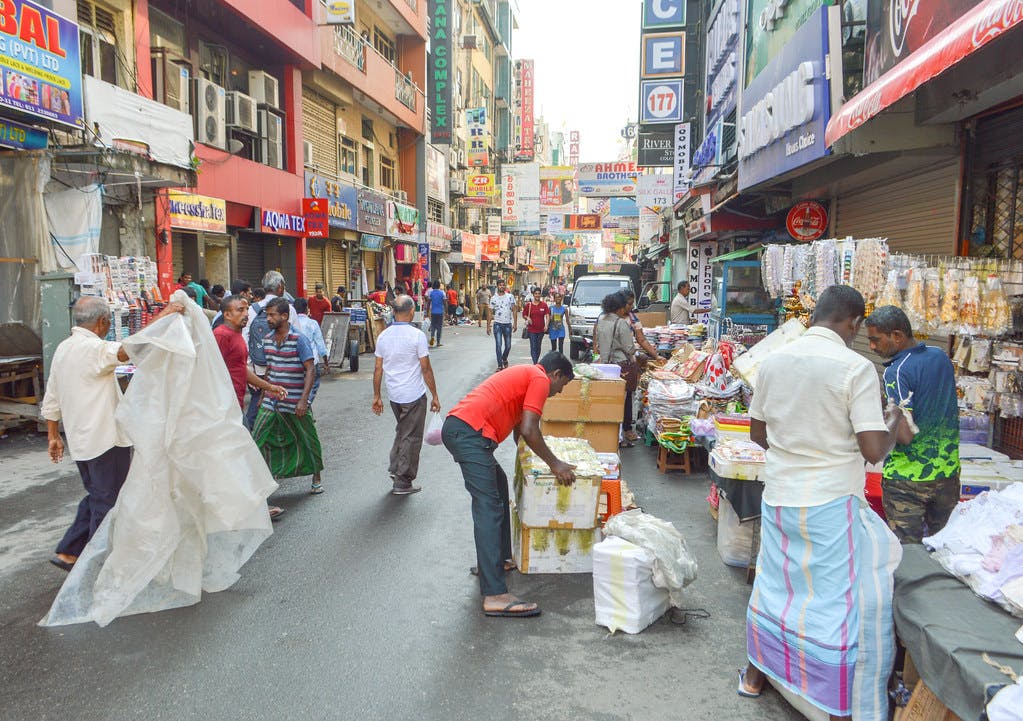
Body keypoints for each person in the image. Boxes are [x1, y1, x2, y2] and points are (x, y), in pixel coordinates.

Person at [738, 285, 904, 721]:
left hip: (779, 496)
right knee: (834, 604)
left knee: (774, 586)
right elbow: (872, 450)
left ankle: (756, 676)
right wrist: (892, 423)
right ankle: (836, 709)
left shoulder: (773, 361)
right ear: (852, 322)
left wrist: (794, 448)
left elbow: (757, 433)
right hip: (830, 502)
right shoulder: (856, 367)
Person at [41, 296, 185, 571]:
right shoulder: (92, 348)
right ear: (103, 322)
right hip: (105, 439)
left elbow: (52, 395)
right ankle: (95, 567)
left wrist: (53, 435)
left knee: (98, 495)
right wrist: (165, 314)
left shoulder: (64, 348)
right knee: (107, 503)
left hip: (81, 440)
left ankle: (69, 551)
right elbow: (126, 350)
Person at [441, 352, 577, 618]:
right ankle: (494, 594)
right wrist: (555, 464)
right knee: (489, 507)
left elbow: (520, 432)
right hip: (470, 433)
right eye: (562, 386)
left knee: (499, 487)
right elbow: (529, 429)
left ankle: (499, 559)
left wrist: (532, 463)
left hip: (465, 429)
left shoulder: (527, 375)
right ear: (556, 374)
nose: (559, 392)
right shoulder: (538, 378)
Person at [866, 305, 960, 543]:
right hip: (947, 473)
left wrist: (877, 411)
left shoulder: (896, 372)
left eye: (876, 340)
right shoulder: (940, 356)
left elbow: (904, 434)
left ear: (897, 335)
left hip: (907, 479)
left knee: (908, 554)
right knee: (943, 548)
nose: (872, 347)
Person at [212, 295, 288, 520]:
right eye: (240, 310)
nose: (246, 314)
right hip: (224, 408)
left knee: (240, 456)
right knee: (245, 454)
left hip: (233, 405)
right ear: (226, 314)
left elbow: (241, 370)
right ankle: (254, 507)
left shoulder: (235, 336)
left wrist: (269, 386)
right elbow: (210, 369)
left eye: (246, 309)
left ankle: (244, 507)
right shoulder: (220, 336)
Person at [251, 298, 325, 494]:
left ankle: (316, 474)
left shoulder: (299, 339)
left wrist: (304, 400)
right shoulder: (267, 339)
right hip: (271, 400)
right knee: (257, 437)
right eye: (267, 314)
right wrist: (262, 395)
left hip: (294, 400)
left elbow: (310, 369)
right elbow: (270, 369)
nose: (268, 318)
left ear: (284, 316)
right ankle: (258, 480)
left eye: (272, 315)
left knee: (308, 438)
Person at [372, 295, 442, 495]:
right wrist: (435, 395)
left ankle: (396, 469)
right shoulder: (416, 335)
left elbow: (378, 369)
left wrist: (377, 396)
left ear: (394, 312)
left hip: (395, 395)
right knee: (410, 437)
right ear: (411, 312)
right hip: (413, 394)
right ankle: (403, 481)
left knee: (403, 432)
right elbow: (426, 368)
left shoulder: (383, 336)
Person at [243, 272, 298, 430]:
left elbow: (245, 338)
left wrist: (249, 367)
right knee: (285, 401)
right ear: (280, 287)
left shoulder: (252, 310)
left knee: (257, 403)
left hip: (258, 368)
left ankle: (254, 436)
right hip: (285, 369)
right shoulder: (288, 309)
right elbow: (297, 337)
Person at [594, 292, 641, 446]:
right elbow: (629, 347)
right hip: (622, 366)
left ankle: (609, 434)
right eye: (625, 306)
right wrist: (640, 355)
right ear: (619, 308)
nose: (628, 309)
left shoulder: (601, 320)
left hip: (606, 365)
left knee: (610, 402)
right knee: (623, 402)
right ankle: (620, 437)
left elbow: (599, 344)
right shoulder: (621, 323)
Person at [488, 280, 518, 371]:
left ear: (505, 287)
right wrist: (488, 326)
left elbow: (514, 310)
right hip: (497, 324)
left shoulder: (510, 297)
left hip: (507, 324)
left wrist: (515, 323)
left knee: (508, 346)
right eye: (500, 285)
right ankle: (500, 365)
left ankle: (504, 358)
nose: (502, 286)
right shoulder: (493, 298)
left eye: (503, 285)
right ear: (497, 286)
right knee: (498, 345)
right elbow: (490, 312)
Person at [293, 297, 329, 370]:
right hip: (312, 362)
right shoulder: (312, 323)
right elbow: (320, 344)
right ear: (306, 309)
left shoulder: (290, 324)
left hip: (295, 364)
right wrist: (326, 362)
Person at [522, 287, 550, 364]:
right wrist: (527, 317)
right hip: (531, 330)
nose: (537, 295)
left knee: (538, 346)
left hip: (541, 330)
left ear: (540, 295)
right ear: (533, 295)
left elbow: (547, 315)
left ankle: (536, 360)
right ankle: (535, 363)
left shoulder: (544, 305)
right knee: (533, 346)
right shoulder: (529, 305)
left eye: (538, 294)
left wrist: (546, 326)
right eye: (536, 294)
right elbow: (524, 314)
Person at [426, 280, 446, 347]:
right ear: (439, 286)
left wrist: (427, 311)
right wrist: (446, 311)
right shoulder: (442, 293)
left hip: (433, 312)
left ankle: (432, 338)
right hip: (440, 312)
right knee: (439, 327)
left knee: (433, 326)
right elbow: (444, 303)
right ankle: (438, 342)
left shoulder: (431, 293)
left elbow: (428, 303)